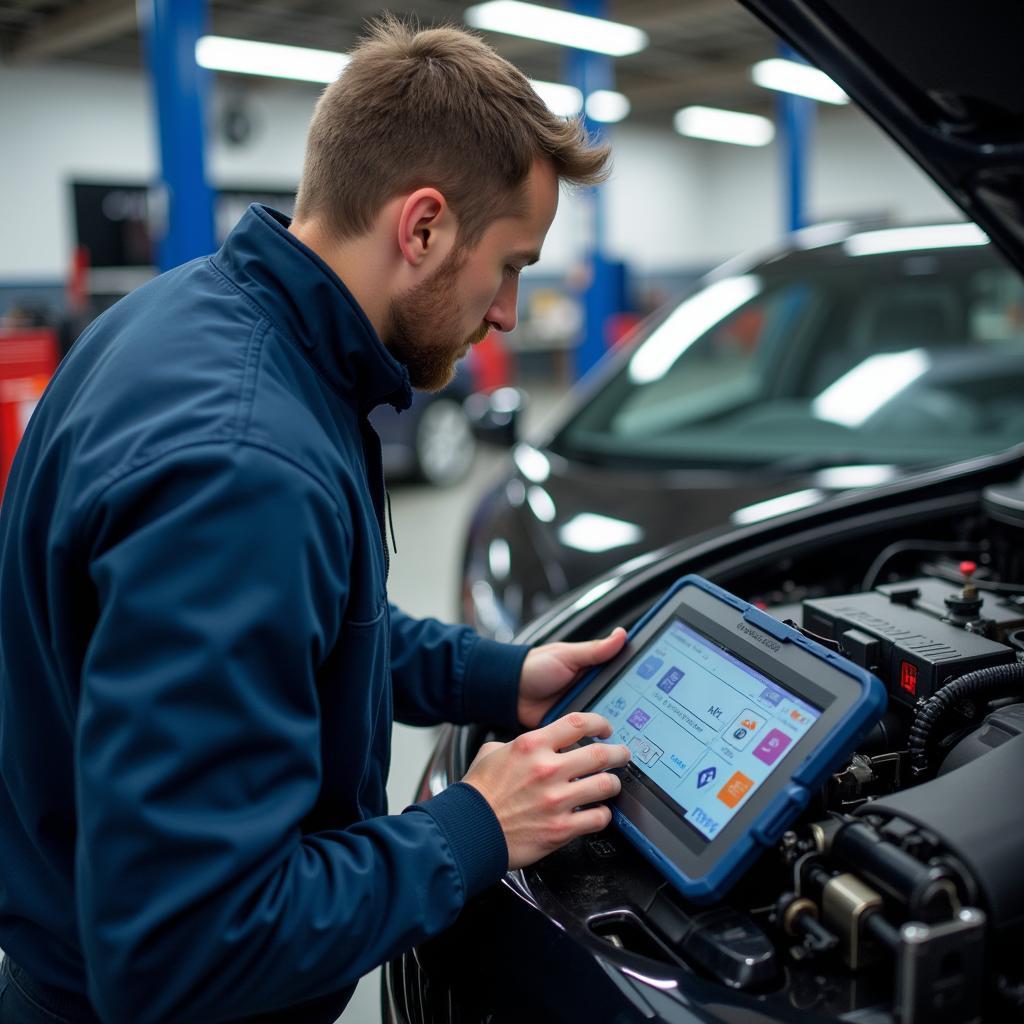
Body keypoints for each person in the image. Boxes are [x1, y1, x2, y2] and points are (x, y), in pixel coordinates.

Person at [0, 16, 632, 1024]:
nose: (509, 311)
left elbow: (305, 638)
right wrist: (476, 824)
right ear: (422, 226)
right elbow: (182, 950)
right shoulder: (245, 465)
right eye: (509, 264)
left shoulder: (198, 322)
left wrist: (496, 674)